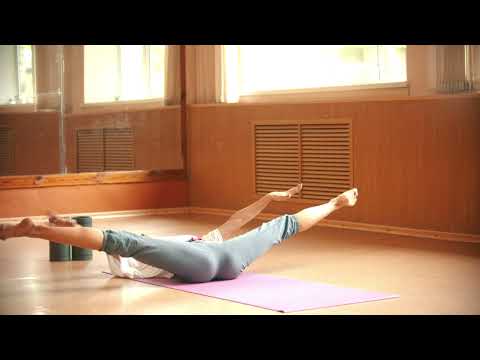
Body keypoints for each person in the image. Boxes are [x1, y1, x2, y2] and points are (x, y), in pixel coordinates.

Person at [0, 184, 358, 283]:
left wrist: (266, 198)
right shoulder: (137, 262)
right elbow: (97, 238)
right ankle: (336, 203)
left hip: (209, 261)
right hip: (229, 262)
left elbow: (236, 219)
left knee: (126, 240)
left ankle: (35, 232)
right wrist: (64, 226)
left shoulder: (134, 261)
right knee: (283, 227)